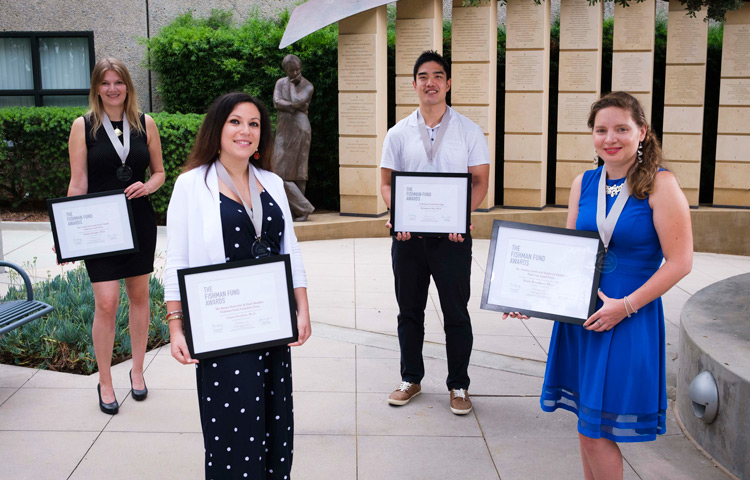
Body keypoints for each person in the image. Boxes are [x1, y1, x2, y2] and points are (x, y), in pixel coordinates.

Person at [530, 91, 693, 479]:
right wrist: (529, 296)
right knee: (588, 428)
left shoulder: (660, 185)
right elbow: (569, 256)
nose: (610, 138)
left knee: (597, 431)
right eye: (601, 130)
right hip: (582, 317)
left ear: (642, 132)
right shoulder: (583, 183)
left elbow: (681, 262)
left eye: (621, 128)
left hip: (627, 317)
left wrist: (626, 306)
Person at [164, 92, 311, 479]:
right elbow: (176, 259)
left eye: (254, 124)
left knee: (274, 426)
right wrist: (175, 325)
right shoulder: (190, 185)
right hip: (222, 329)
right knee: (233, 429)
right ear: (217, 127)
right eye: (235, 121)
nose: (245, 130)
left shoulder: (273, 183)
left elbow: (289, 249)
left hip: (271, 325)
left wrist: (303, 308)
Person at [379, 50, 490, 415]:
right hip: (408, 240)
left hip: (452, 241)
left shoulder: (469, 130)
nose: (431, 83)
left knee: (456, 313)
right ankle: (410, 378)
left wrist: (462, 217)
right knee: (409, 312)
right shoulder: (398, 133)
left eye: (438, 76)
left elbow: (479, 182)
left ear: (448, 84)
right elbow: (386, 184)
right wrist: (399, 215)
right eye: (423, 77)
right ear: (414, 85)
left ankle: (459, 384)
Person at [67, 57, 164, 415]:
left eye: (118, 82)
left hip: (139, 221)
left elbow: (159, 172)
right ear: (96, 88)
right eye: (105, 83)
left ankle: (137, 371)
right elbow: (78, 183)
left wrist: (148, 186)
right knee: (106, 303)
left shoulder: (145, 123)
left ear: (128, 86)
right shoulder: (83, 126)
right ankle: (105, 379)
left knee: (139, 299)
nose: (112, 89)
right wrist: (67, 231)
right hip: (100, 228)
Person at [272, 54, 315, 221]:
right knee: (278, 171)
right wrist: (294, 106)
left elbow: (298, 100)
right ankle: (300, 208)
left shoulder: (308, 85)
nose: (295, 73)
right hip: (284, 130)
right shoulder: (279, 82)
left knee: (298, 171)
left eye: (297, 69)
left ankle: (299, 211)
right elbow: (277, 102)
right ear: (285, 70)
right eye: (291, 71)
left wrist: (291, 89)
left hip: (300, 128)